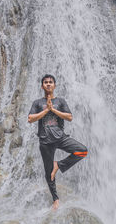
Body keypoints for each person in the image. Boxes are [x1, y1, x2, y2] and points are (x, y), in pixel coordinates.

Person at [28, 74, 88, 210]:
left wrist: (53, 109)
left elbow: (69, 117)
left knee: (82, 151)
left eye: (50, 82)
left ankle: (59, 165)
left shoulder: (60, 101)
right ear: (42, 86)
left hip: (60, 138)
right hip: (45, 141)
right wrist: (46, 110)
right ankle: (55, 199)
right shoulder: (37, 103)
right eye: (45, 82)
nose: (48, 84)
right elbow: (31, 119)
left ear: (55, 85)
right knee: (49, 172)